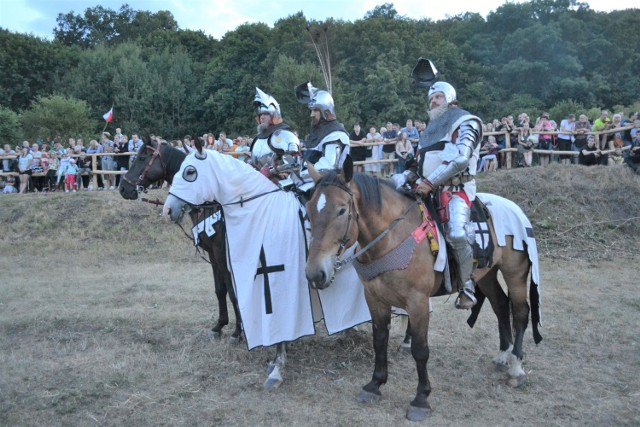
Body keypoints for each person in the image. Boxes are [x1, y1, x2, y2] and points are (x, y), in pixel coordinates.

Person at [410, 60, 483, 310]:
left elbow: (461, 158)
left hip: (456, 191)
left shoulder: (465, 121)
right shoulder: (430, 130)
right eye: (430, 99)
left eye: (437, 97)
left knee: (457, 233)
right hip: (427, 192)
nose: (432, 102)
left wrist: (430, 182)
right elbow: (417, 165)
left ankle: (467, 287)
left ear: (450, 98)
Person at [250, 87, 301, 188]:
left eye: (266, 114)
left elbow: (295, 163)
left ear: (274, 116)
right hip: (258, 181)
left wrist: (271, 170)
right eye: (260, 115)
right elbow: (255, 161)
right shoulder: (258, 138)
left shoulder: (284, 135)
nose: (262, 117)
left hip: (281, 184)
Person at [295, 81, 349, 171]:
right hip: (311, 181)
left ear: (325, 111)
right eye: (311, 111)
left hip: (328, 183)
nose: (311, 115)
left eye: (315, 110)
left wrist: (302, 174)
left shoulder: (335, 134)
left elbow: (327, 168)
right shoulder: (318, 133)